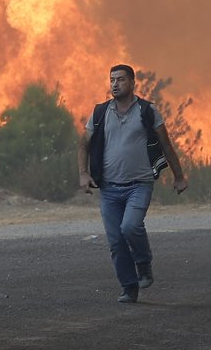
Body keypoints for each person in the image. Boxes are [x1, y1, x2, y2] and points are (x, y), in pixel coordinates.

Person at [77, 63, 189, 304]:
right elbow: (83, 144)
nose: (115, 84)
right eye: (112, 80)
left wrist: (179, 176)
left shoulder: (147, 111)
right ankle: (129, 287)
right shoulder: (100, 113)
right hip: (109, 189)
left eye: (120, 79)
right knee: (116, 241)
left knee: (130, 227)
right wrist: (83, 174)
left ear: (132, 83)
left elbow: (166, 144)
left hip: (139, 184)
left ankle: (143, 262)